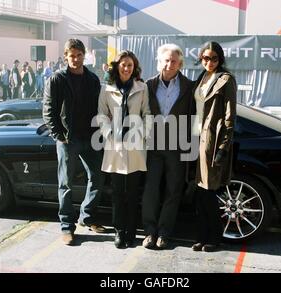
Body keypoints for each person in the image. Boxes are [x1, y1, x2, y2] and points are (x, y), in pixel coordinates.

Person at [43, 39, 107, 246]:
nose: (76, 59)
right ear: (66, 57)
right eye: (72, 55)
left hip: (89, 137)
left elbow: (98, 108)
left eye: (79, 55)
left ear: (84, 55)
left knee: (97, 177)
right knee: (66, 184)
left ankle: (86, 217)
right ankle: (66, 227)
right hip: (68, 139)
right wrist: (59, 135)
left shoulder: (92, 79)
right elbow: (48, 110)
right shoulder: (57, 79)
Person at [141, 44, 194, 250]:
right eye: (166, 60)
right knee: (151, 190)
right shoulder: (148, 85)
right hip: (153, 146)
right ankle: (149, 232)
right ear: (159, 62)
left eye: (174, 61)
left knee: (173, 191)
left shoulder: (189, 87)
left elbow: (194, 118)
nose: (169, 64)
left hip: (177, 147)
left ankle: (164, 233)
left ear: (180, 64)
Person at [97, 50, 150, 249]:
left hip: (135, 147)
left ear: (134, 68)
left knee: (133, 193)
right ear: (116, 66)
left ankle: (131, 232)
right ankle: (119, 232)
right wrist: (110, 135)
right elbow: (101, 115)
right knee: (118, 193)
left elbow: (147, 113)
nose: (126, 68)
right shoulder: (106, 89)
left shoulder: (142, 88)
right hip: (115, 147)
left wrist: (142, 134)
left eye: (130, 65)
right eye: (123, 65)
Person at [191, 41, 237, 252]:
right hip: (194, 141)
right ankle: (201, 237)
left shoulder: (226, 80)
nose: (209, 62)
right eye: (205, 58)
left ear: (220, 59)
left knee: (208, 193)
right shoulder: (201, 79)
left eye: (214, 58)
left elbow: (230, 117)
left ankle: (214, 237)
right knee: (199, 195)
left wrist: (222, 148)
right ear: (200, 59)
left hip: (212, 142)